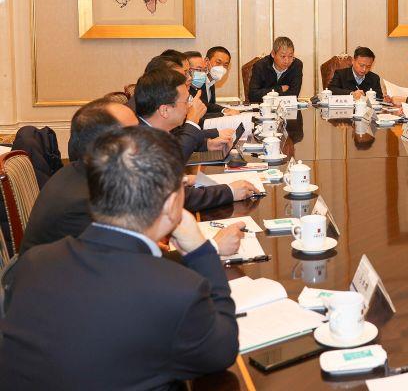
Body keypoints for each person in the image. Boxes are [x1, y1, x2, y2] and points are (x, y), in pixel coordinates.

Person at [0, 127, 240, 388]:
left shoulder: (33, 263)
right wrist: (202, 252)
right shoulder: (177, 292)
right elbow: (222, 351)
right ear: (172, 206)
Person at [20, 99, 245, 256]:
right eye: (134, 131)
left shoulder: (88, 173)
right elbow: (134, 268)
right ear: (109, 144)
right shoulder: (86, 199)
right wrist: (212, 248)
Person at [134, 69, 256, 205]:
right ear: (165, 110)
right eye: (186, 101)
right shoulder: (138, 146)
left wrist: (185, 179)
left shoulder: (153, 130)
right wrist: (230, 191)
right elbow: (177, 198)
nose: (190, 106)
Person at [184, 49, 238, 116]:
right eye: (218, 62)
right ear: (206, 61)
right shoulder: (194, 83)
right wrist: (223, 113)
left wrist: (224, 110)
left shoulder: (211, 83)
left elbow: (208, 106)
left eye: (225, 65)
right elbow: (201, 108)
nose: (221, 68)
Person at [248, 36, 303, 102]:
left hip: (287, 107)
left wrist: (267, 93)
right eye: (283, 56)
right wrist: (279, 89)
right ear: (273, 54)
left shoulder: (296, 65)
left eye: (290, 56)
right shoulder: (260, 66)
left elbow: (293, 95)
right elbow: (253, 95)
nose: (287, 61)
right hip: (264, 107)